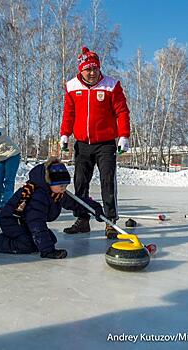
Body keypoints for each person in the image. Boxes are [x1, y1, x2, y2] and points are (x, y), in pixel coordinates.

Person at [60, 47, 130, 239]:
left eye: (95, 69)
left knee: (108, 181)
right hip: (82, 143)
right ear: (81, 69)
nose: (92, 73)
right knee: (80, 182)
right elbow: (69, 113)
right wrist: (65, 134)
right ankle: (82, 220)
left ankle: (110, 221)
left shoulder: (111, 85)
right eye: (88, 69)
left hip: (106, 143)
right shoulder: (72, 86)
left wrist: (124, 135)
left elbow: (122, 111)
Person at [0, 157, 105, 259]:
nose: (64, 188)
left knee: (50, 238)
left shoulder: (56, 192)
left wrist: (95, 209)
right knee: (26, 245)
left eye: (65, 184)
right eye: (60, 185)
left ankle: (13, 237)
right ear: (49, 182)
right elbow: (36, 224)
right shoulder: (38, 196)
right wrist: (48, 251)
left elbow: (77, 203)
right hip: (11, 220)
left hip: (24, 221)